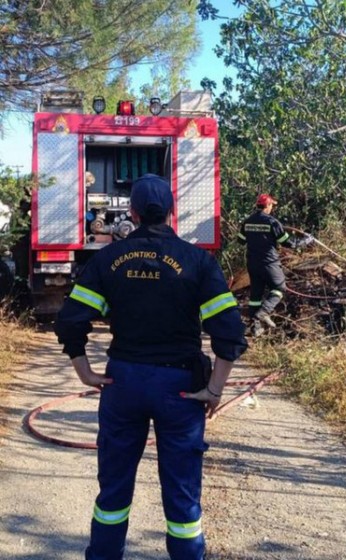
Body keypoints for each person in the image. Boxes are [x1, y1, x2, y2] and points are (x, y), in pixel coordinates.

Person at [54, 173, 248, 560]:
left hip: (123, 382)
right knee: (182, 494)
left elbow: (71, 320)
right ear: (171, 212)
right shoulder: (198, 261)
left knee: (113, 491)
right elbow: (229, 332)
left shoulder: (108, 260)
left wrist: (85, 372)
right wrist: (214, 389)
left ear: (134, 212)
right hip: (180, 388)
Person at [236, 193, 311, 336]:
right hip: (269, 263)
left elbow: (240, 240)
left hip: (253, 263)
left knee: (256, 295)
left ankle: (255, 327)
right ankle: (263, 313)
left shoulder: (248, 221)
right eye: (272, 206)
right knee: (279, 288)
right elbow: (288, 243)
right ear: (268, 206)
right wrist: (306, 240)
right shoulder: (273, 222)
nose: (272, 208)